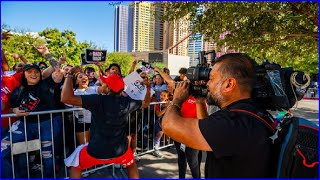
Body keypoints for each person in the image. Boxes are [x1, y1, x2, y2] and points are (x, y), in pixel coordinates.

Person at [162, 53, 274, 178]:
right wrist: (199, 102)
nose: (207, 84)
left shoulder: (231, 123)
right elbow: (207, 134)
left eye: (211, 78)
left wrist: (177, 99)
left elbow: (168, 125)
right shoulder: (249, 114)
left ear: (229, 84)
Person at [61, 67, 152, 178]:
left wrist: (70, 74)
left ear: (108, 88)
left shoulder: (97, 100)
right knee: (132, 165)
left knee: (76, 166)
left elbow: (66, 98)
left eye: (105, 83)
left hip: (96, 151)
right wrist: (148, 88)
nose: (102, 85)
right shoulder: (128, 102)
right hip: (120, 151)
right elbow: (146, 103)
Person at [2, 63, 64, 178]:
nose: (33, 74)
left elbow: (58, 72)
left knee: (47, 155)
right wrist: (14, 109)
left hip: (47, 124)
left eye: (36, 72)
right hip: (26, 125)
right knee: (4, 149)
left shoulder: (46, 84)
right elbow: (11, 108)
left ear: (40, 74)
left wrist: (47, 53)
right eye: (29, 72)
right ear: (24, 74)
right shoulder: (18, 90)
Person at [154, 66, 201, 179]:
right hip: (179, 131)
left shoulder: (200, 94)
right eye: (188, 78)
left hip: (193, 133)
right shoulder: (181, 89)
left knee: (193, 162)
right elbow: (169, 80)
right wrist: (159, 71)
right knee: (181, 158)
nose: (188, 81)